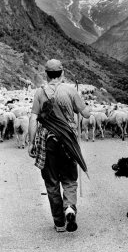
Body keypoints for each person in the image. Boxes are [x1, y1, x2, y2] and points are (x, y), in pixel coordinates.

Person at [28, 59, 91, 233]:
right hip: (68, 142)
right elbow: (86, 114)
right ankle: (69, 207)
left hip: (48, 141)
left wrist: (31, 142)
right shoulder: (70, 90)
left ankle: (59, 223)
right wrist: (81, 105)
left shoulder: (40, 93)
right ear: (62, 73)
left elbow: (33, 118)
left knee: (52, 182)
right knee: (70, 180)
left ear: (46, 74)